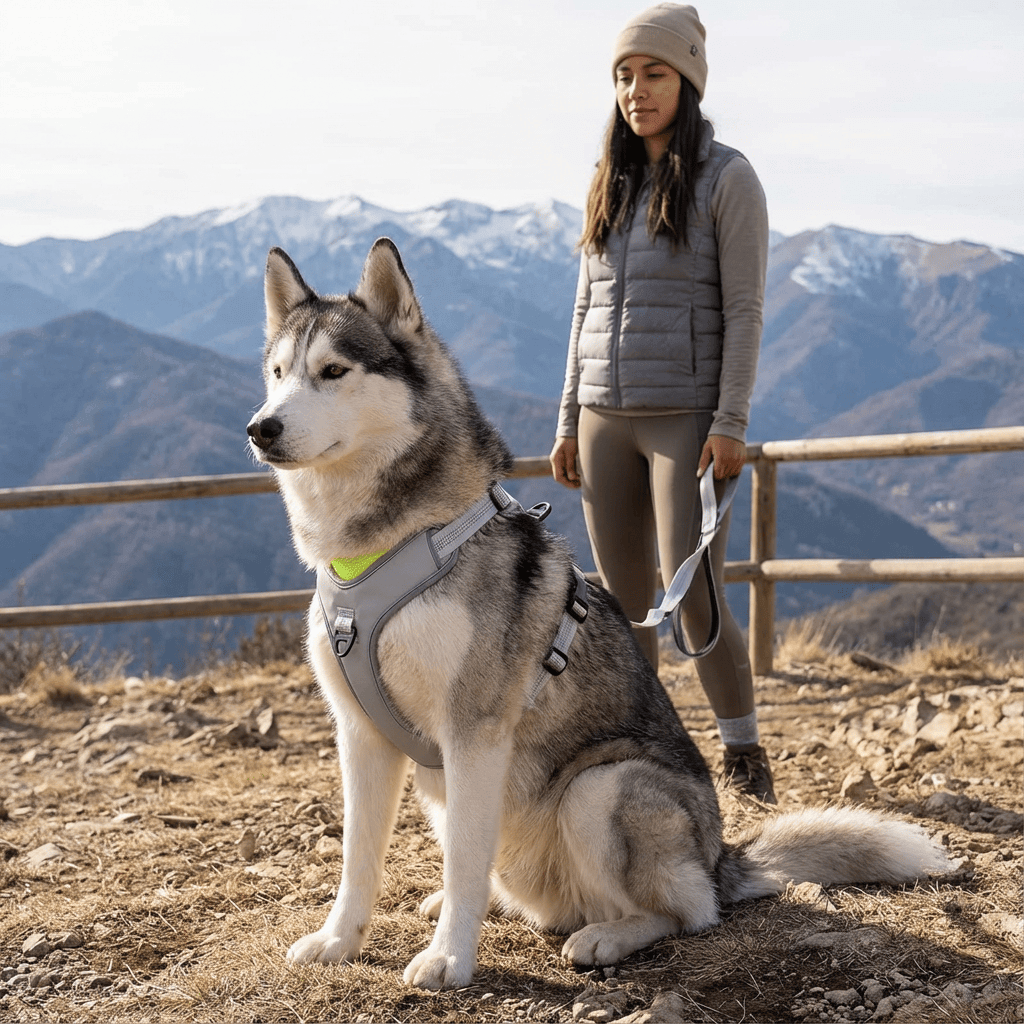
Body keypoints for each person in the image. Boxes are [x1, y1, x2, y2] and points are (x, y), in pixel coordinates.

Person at [549, 3, 775, 802]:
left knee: (695, 600)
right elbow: (586, 307)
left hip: (687, 419)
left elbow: (744, 309)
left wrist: (730, 422)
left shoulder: (727, 177)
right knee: (623, 610)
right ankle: (642, 759)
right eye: (624, 76)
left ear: (687, 79)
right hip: (606, 418)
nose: (636, 90)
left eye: (653, 73)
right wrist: (570, 415)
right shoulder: (607, 180)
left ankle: (744, 753)